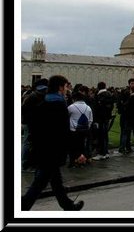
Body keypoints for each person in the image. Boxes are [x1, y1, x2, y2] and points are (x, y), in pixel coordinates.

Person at [22, 75, 84, 211]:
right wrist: (77, 153)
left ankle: (68, 206)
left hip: (43, 150)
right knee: (39, 184)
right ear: (60, 87)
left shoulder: (43, 102)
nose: (67, 90)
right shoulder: (58, 105)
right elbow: (64, 133)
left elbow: (34, 127)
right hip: (52, 152)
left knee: (55, 181)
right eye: (66, 87)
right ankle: (21, 207)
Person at [67, 90, 94, 167]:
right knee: (82, 146)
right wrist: (88, 127)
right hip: (85, 130)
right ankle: (82, 161)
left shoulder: (71, 107)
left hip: (74, 130)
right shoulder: (88, 108)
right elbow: (90, 119)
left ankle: (73, 161)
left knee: (73, 147)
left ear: (75, 98)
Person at [92, 82, 114, 160]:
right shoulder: (109, 95)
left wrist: (95, 119)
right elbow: (111, 106)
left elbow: (96, 108)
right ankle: (106, 152)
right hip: (107, 117)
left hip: (100, 118)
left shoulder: (99, 96)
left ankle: (102, 153)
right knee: (105, 135)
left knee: (101, 135)